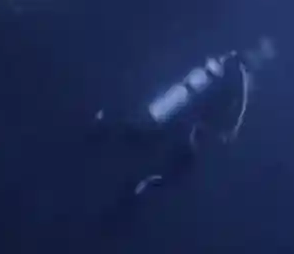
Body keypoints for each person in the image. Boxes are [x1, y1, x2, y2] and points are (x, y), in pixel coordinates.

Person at [97, 36, 277, 208]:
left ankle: (105, 123)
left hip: (174, 104)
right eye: (264, 53)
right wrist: (228, 131)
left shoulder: (227, 57)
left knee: (143, 134)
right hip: (184, 118)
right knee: (171, 160)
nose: (263, 58)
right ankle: (136, 185)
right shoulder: (239, 74)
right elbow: (236, 117)